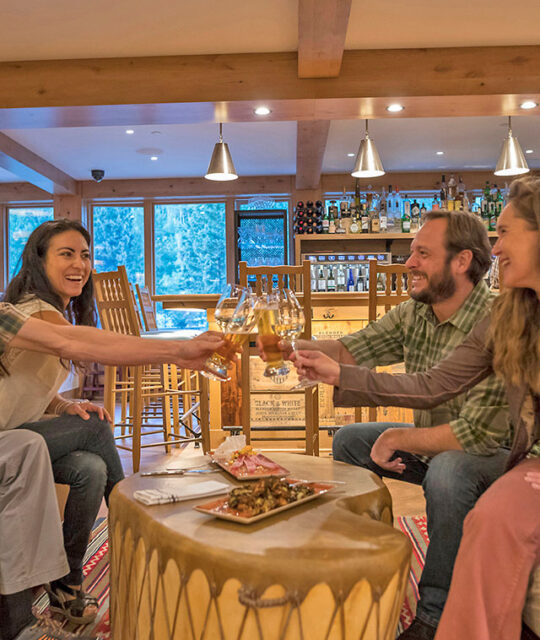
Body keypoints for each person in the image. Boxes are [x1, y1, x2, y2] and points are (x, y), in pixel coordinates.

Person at [292, 175, 540, 640]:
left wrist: (399, 435)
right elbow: (430, 385)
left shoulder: (495, 313)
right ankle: (366, 567)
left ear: (462, 261)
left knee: (450, 472)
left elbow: (478, 435)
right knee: (350, 441)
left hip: (491, 455)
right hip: (446, 445)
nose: (409, 263)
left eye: (505, 232)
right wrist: (285, 348)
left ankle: (433, 616)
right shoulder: (511, 313)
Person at [0, 218, 218, 629]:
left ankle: (66, 583)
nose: (79, 263)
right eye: (66, 253)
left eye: (84, 255)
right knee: (99, 430)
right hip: (8, 442)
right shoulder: (35, 313)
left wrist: (64, 406)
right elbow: (79, 343)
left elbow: (18, 383)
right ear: (38, 260)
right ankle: (142, 536)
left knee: (90, 468)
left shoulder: (46, 312)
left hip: (18, 437)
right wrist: (178, 351)